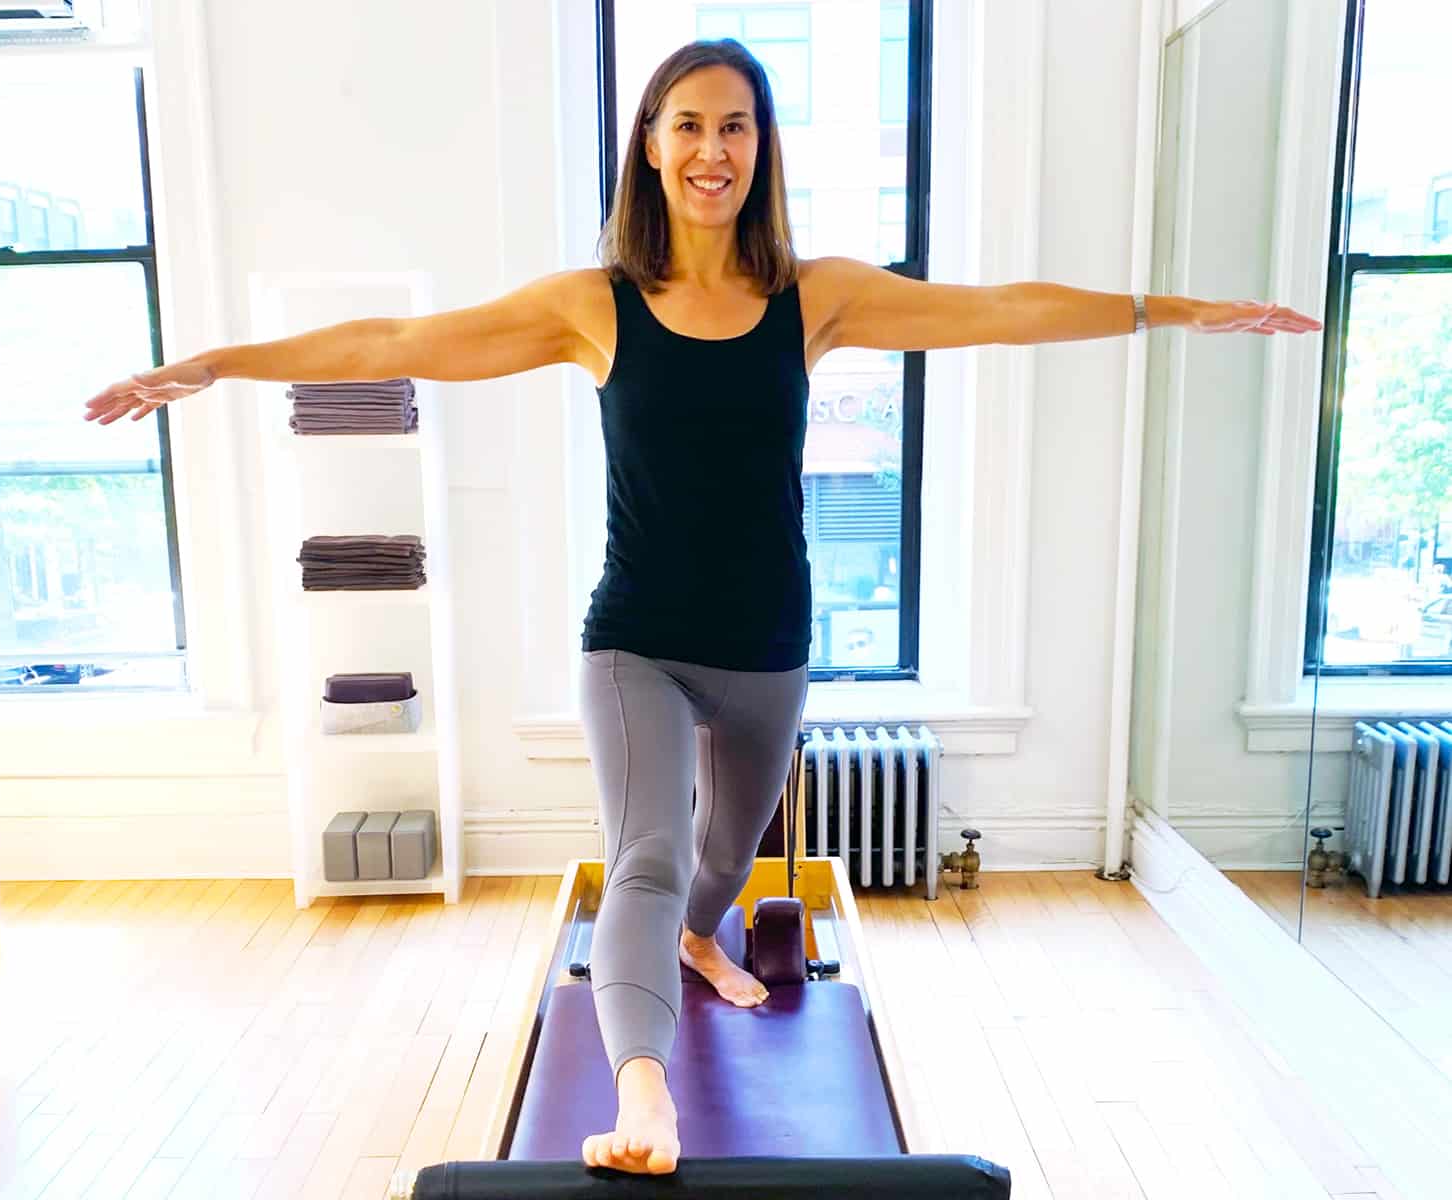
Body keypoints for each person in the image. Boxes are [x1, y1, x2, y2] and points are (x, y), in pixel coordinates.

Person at [83, 38, 1322, 1178]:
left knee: (721, 868)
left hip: (772, 644)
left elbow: (999, 311)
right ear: (651, 147)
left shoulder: (817, 297)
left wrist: (1170, 311)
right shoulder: (594, 303)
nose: (712, 149)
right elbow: (401, 336)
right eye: (687, 125)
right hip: (637, 643)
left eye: (735, 127)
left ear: (761, 150)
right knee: (651, 859)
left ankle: (698, 941)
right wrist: (219, 362)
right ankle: (642, 1095)